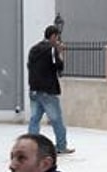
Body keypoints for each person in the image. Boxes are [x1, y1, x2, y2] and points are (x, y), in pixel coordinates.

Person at [27, 25, 74, 155]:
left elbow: (30, 66)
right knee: (57, 120)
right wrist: (59, 52)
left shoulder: (33, 49)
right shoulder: (51, 49)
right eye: (57, 37)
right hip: (48, 90)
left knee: (34, 120)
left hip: (34, 90)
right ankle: (61, 146)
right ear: (53, 36)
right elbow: (58, 67)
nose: (58, 39)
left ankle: (30, 147)